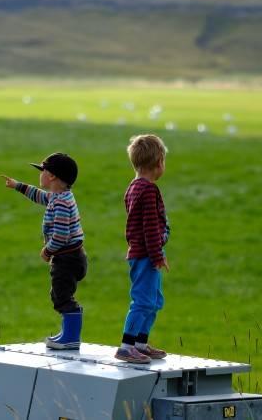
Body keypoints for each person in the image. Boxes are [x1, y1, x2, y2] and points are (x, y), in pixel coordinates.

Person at [1, 153, 87, 350]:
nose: (40, 175)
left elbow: (62, 235)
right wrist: (17, 185)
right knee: (58, 294)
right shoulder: (58, 197)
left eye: (42, 171)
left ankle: (72, 337)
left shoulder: (62, 203)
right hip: (70, 256)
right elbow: (39, 195)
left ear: (52, 177)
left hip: (68, 258)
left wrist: (47, 251)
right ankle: (67, 333)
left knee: (62, 295)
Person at [114, 135, 171, 364]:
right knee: (143, 301)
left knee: (154, 300)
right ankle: (126, 347)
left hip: (147, 254)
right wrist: (157, 256)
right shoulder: (148, 190)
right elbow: (149, 227)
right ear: (159, 163)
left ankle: (140, 343)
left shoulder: (133, 187)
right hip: (146, 255)